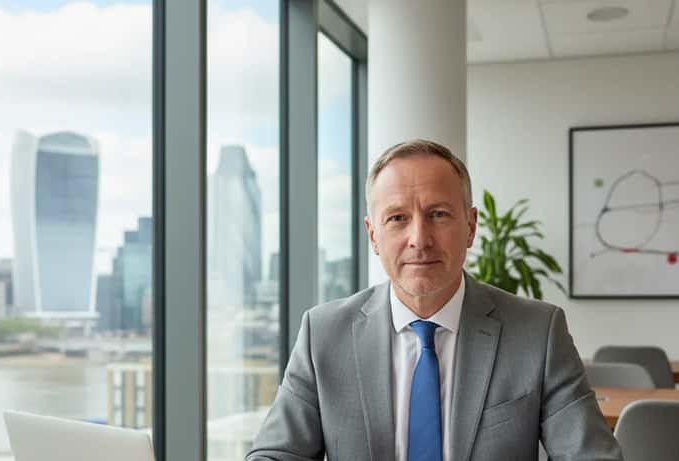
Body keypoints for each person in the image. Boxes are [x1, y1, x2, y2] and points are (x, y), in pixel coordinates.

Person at [246, 140, 622, 460]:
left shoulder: (538, 332)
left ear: (471, 226)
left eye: (438, 214)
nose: (419, 239)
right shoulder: (323, 334)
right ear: (373, 235)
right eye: (396, 218)